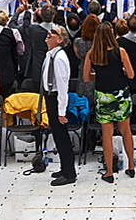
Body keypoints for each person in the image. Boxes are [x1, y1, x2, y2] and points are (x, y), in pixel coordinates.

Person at [83, 22, 136, 182]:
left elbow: (86, 77)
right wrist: (121, 71)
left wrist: (98, 75)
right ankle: (131, 166)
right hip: (121, 94)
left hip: (103, 96)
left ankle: (109, 172)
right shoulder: (120, 52)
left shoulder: (92, 54)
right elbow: (131, 75)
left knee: (107, 135)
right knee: (126, 131)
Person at [42, 26, 77, 186]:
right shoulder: (51, 54)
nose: (49, 33)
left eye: (53, 33)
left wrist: (61, 111)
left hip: (56, 99)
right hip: (50, 98)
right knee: (57, 135)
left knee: (62, 136)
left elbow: (63, 86)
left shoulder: (60, 57)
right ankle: (64, 168)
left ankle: (69, 173)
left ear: (60, 39)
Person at [72, 15, 99, 99]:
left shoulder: (78, 42)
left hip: (83, 73)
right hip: (98, 73)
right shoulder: (102, 44)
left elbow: (79, 56)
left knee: (83, 104)